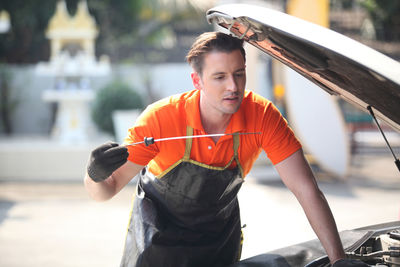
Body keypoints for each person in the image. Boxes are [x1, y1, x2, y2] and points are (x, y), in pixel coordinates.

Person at [84, 32, 365, 267]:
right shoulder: (161, 119)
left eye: (239, 74)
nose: (233, 87)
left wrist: (338, 259)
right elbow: (106, 189)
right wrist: (94, 174)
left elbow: (306, 189)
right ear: (197, 81)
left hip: (218, 244)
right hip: (156, 247)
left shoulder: (262, 116)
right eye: (219, 77)